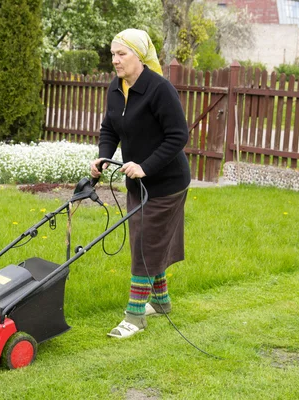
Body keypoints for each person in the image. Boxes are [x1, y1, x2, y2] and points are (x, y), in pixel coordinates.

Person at [90, 28, 191, 339]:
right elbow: (110, 127)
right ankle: (160, 302)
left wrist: (146, 167)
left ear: (139, 55)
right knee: (150, 239)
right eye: (112, 54)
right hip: (138, 182)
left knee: (145, 243)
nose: (115, 60)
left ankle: (135, 316)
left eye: (121, 54)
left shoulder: (159, 89)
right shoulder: (116, 87)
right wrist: (103, 157)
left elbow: (178, 136)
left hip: (167, 183)